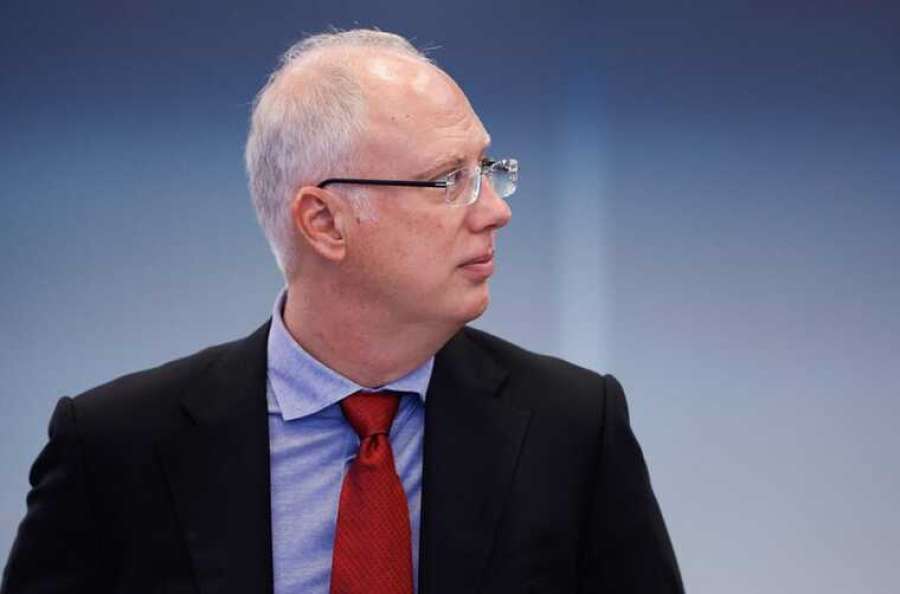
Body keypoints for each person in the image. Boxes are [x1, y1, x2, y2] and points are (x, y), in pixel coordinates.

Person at [1, 29, 684, 594]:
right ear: (324, 222)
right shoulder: (115, 446)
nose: (494, 211)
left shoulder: (573, 427)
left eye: (487, 169)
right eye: (449, 180)